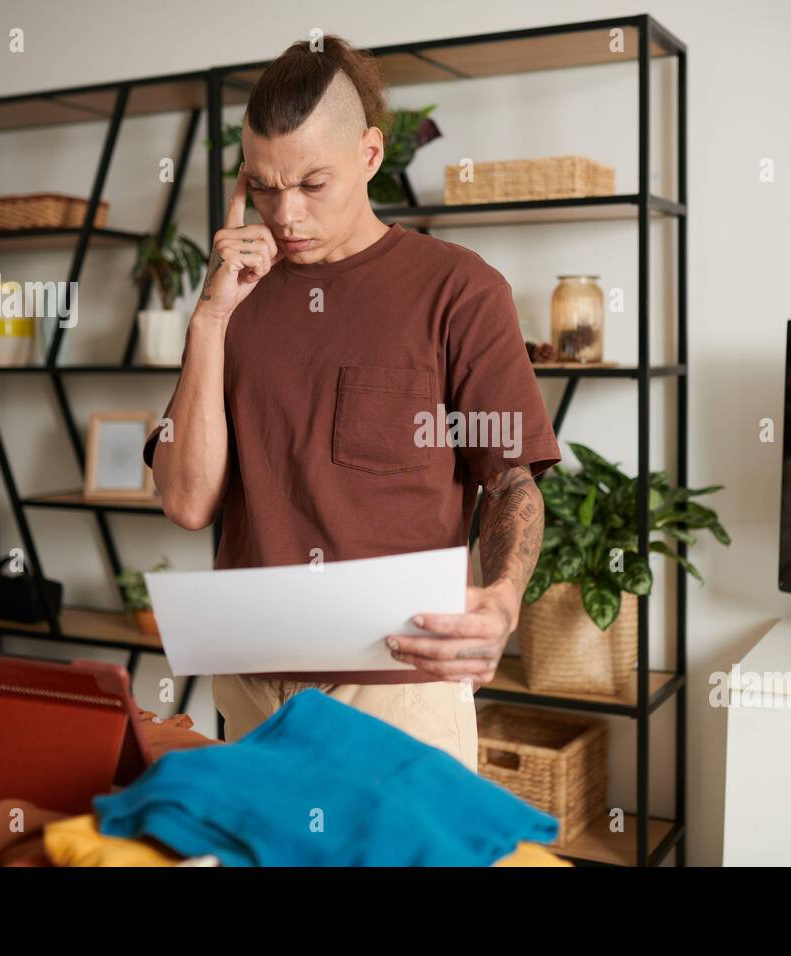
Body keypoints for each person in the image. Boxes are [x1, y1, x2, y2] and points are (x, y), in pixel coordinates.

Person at [144, 35, 560, 771]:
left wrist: (500, 600)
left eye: (312, 184)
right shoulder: (233, 297)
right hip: (251, 682)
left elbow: (510, 481)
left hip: (401, 681)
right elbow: (187, 502)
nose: (285, 215)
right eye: (264, 187)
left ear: (370, 156)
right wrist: (210, 319)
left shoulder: (459, 291)